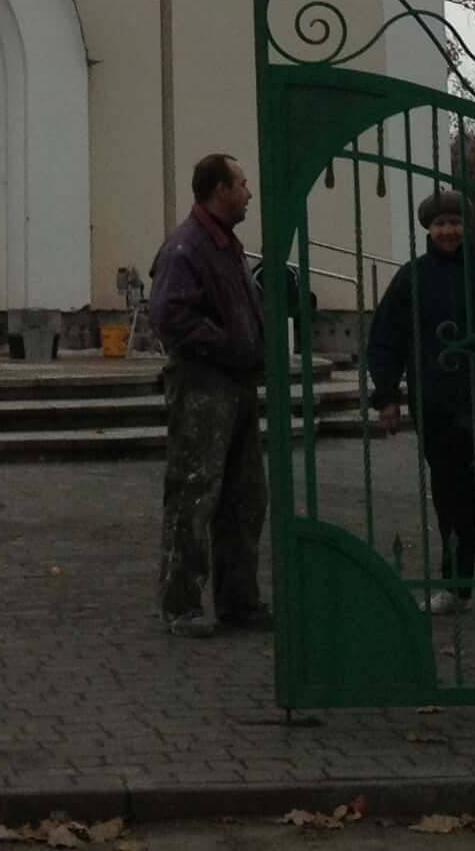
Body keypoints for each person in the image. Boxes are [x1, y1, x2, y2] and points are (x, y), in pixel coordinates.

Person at [367, 190, 475, 618]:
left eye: (455, 222)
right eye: (440, 224)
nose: (448, 231)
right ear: (428, 229)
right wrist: (387, 395)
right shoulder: (413, 277)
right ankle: (456, 585)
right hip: (438, 404)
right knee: (450, 497)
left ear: (467, 225)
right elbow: (386, 338)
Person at [144, 152, 269, 638]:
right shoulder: (187, 248)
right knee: (194, 494)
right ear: (219, 190)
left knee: (244, 496)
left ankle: (239, 601)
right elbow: (170, 316)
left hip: (235, 383)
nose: (249, 193)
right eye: (242, 184)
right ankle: (181, 605)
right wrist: (231, 344)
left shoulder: (224, 244)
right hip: (203, 385)